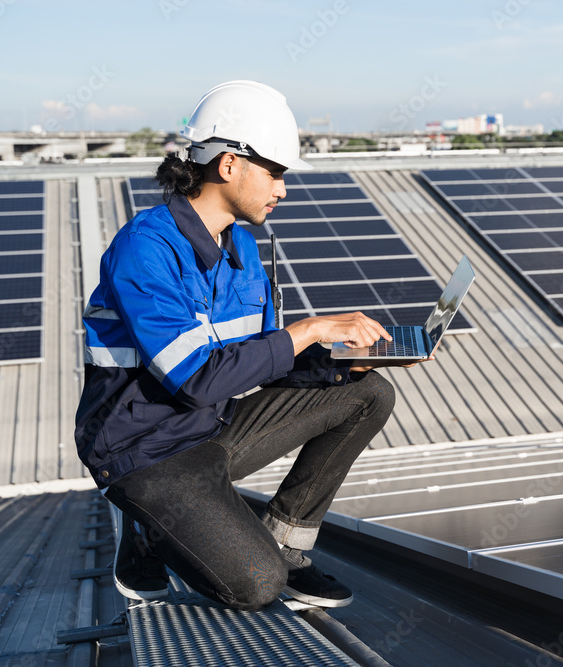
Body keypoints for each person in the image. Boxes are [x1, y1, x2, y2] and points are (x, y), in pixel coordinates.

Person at [74, 80, 421, 610]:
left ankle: (286, 543)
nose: (282, 189)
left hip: (211, 427)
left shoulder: (241, 246)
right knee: (256, 585)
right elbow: (195, 378)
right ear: (230, 164)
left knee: (369, 394)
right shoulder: (144, 249)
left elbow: (260, 358)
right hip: (144, 453)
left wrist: (338, 367)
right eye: (275, 173)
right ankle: (142, 525)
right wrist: (306, 330)